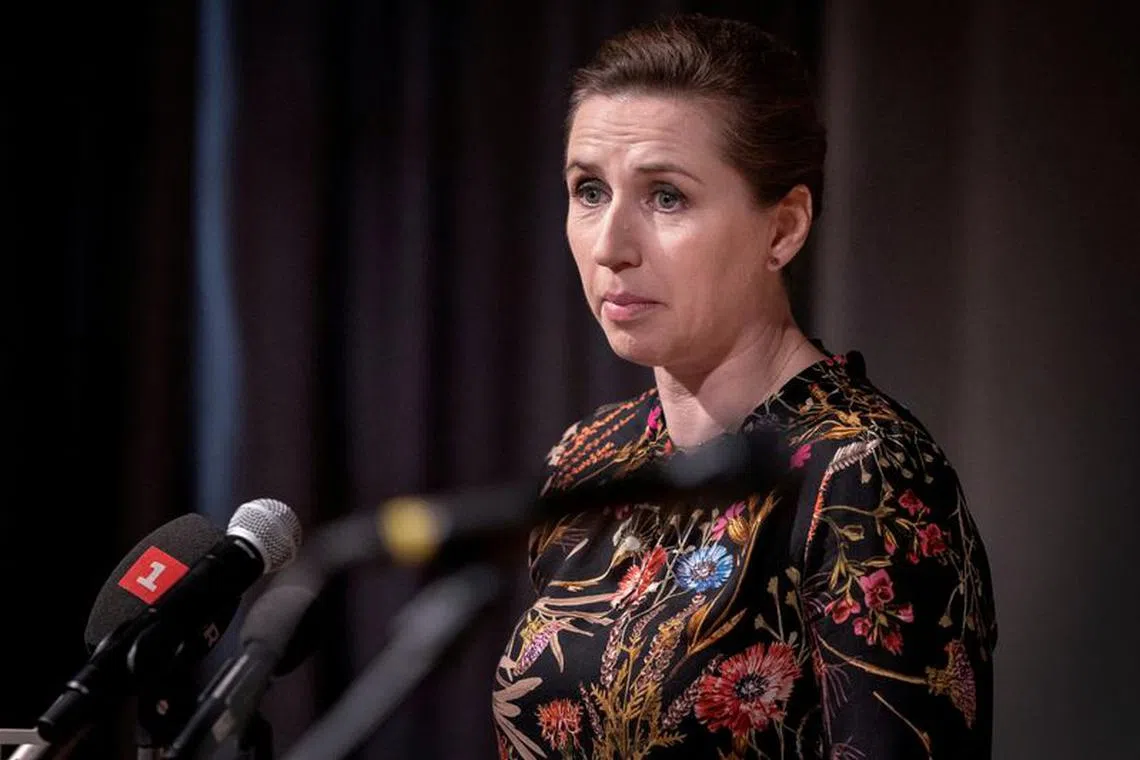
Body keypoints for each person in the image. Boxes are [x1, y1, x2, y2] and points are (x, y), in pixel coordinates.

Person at [493, 14, 996, 760]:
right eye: (589, 190)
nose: (610, 247)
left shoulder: (864, 474)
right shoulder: (591, 457)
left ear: (784, 228)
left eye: (667, 197)